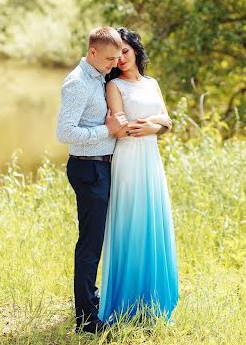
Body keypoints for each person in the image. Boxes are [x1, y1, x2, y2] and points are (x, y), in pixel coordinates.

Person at [99, 27, 179, 324]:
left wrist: (155, 126)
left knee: (152, 221)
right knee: (130, 222)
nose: (120, 58)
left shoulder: (152, 83)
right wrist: (149, 125)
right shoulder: (114, 86)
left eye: (125, 51)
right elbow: (120, 128)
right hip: (129, 160)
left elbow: (167, 119)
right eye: (116, 53)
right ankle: (126, 303)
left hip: (150, 159)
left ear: (135, 50)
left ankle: (154, 300)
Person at [56, 26, 128, 334]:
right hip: (88, 170)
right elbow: (65, 133)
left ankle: (92, 297)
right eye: (110, 59)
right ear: (93, 52)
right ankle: (86, 320)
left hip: (103, 167)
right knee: (90, 244)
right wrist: (106, 130)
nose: (114, 64)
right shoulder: (76, 83)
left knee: (99, 239)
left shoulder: (99, 76)